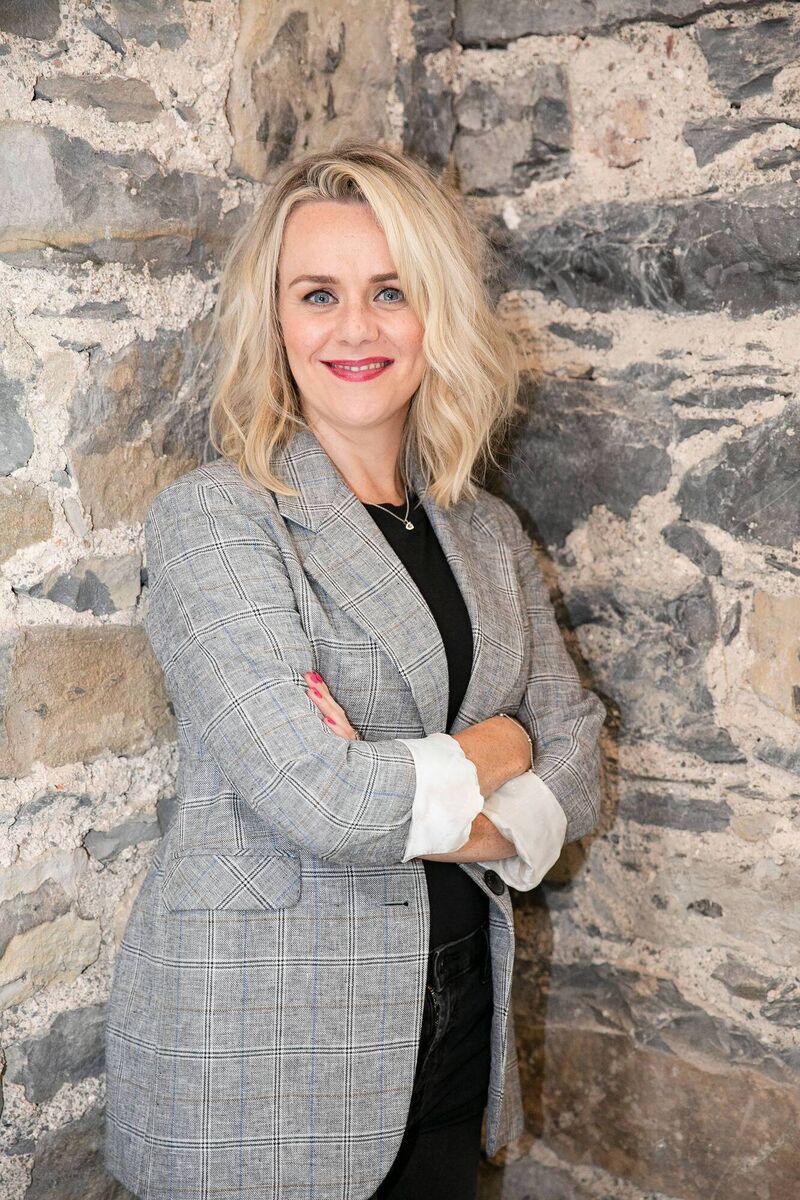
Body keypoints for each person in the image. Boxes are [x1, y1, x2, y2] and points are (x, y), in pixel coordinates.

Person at [105, 140, 606, 1200]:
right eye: (318, 294)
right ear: (275, 320)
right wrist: (497, 745)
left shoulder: (486, 529)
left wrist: (434, 782)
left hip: (454, 1033)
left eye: (390, 291)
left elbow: (576, 757)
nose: (355, 329)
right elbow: (318, 798)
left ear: (436, 312)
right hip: (264, 1050)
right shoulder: (220, 520)